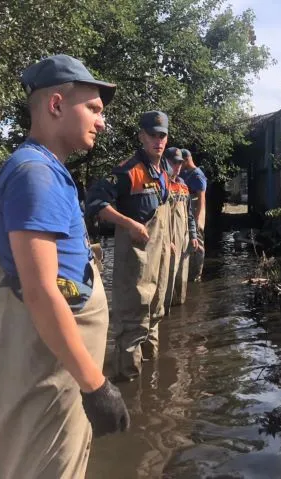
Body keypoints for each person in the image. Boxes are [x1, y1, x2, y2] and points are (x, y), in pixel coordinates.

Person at [0, 54, 130, 479]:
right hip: (47, 358)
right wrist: (96, 386)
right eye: (94, 109)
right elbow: (41, 291)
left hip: (53, 354)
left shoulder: (43, 169)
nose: (101, 122)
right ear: (55, 105)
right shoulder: (36, 176)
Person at [85, 111, 172, 381]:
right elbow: (95, 203)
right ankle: (128, 386)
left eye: (162, 135)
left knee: (155, 315)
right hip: (135, 261)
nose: (157, 140)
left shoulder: (164, 171)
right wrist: (130, 224)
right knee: (133, 323)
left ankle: (150, 380)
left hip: (159, 258)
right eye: (152, 135)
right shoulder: (128, 170)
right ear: (141, 137)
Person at [163, 147, 198, 312]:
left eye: (179, 163)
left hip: (184, 239)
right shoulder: (161, 183)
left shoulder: (183, 185)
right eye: (173, 162)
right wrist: (166, 240)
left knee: (181, 278)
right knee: (167, 278)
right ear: (166, 162)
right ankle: (165, 313)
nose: (177, 166)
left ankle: (179, 312)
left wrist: (193, 235)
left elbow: (189, 213)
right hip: (168, 240)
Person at [179, 149, 207, 282]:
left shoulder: (197, 175)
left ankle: (197, 275)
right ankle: (187, 273)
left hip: (195, 215)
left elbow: (201, 199)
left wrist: (198, 221)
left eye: (180, 161)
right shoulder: (184, 173)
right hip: (186, 215)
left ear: (186, 160)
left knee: (198, 245)